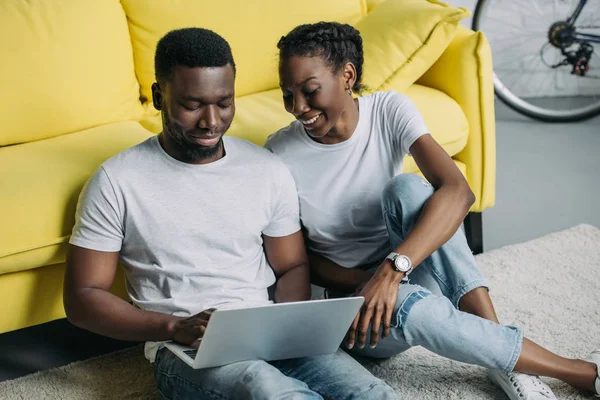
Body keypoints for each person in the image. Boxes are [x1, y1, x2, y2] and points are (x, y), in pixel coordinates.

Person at [265, 21, 600, 400]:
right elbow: (299, 259)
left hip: (403, 268)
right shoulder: (280, 152)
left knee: (407, 189)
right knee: (411, 304)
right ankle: (583, 373)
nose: (298, 109)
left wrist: (390, 272)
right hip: (352, 310)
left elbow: (458, 191)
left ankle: (498, 355)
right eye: (287, 95)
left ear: (347, 75)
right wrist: (370, 284)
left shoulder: (387, 110)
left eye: (309, 92)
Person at [63, 27, 398, 400]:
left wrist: (288, 330)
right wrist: (174, 326)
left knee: (371, 393)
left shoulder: (265, 168)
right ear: (160, 97)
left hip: (270, 335)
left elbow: (291, 266)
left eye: (224, 103)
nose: (211, 121)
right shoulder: (117, 181)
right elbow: (82, 297)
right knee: (272, 392)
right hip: (184, 351)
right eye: (192, 106)